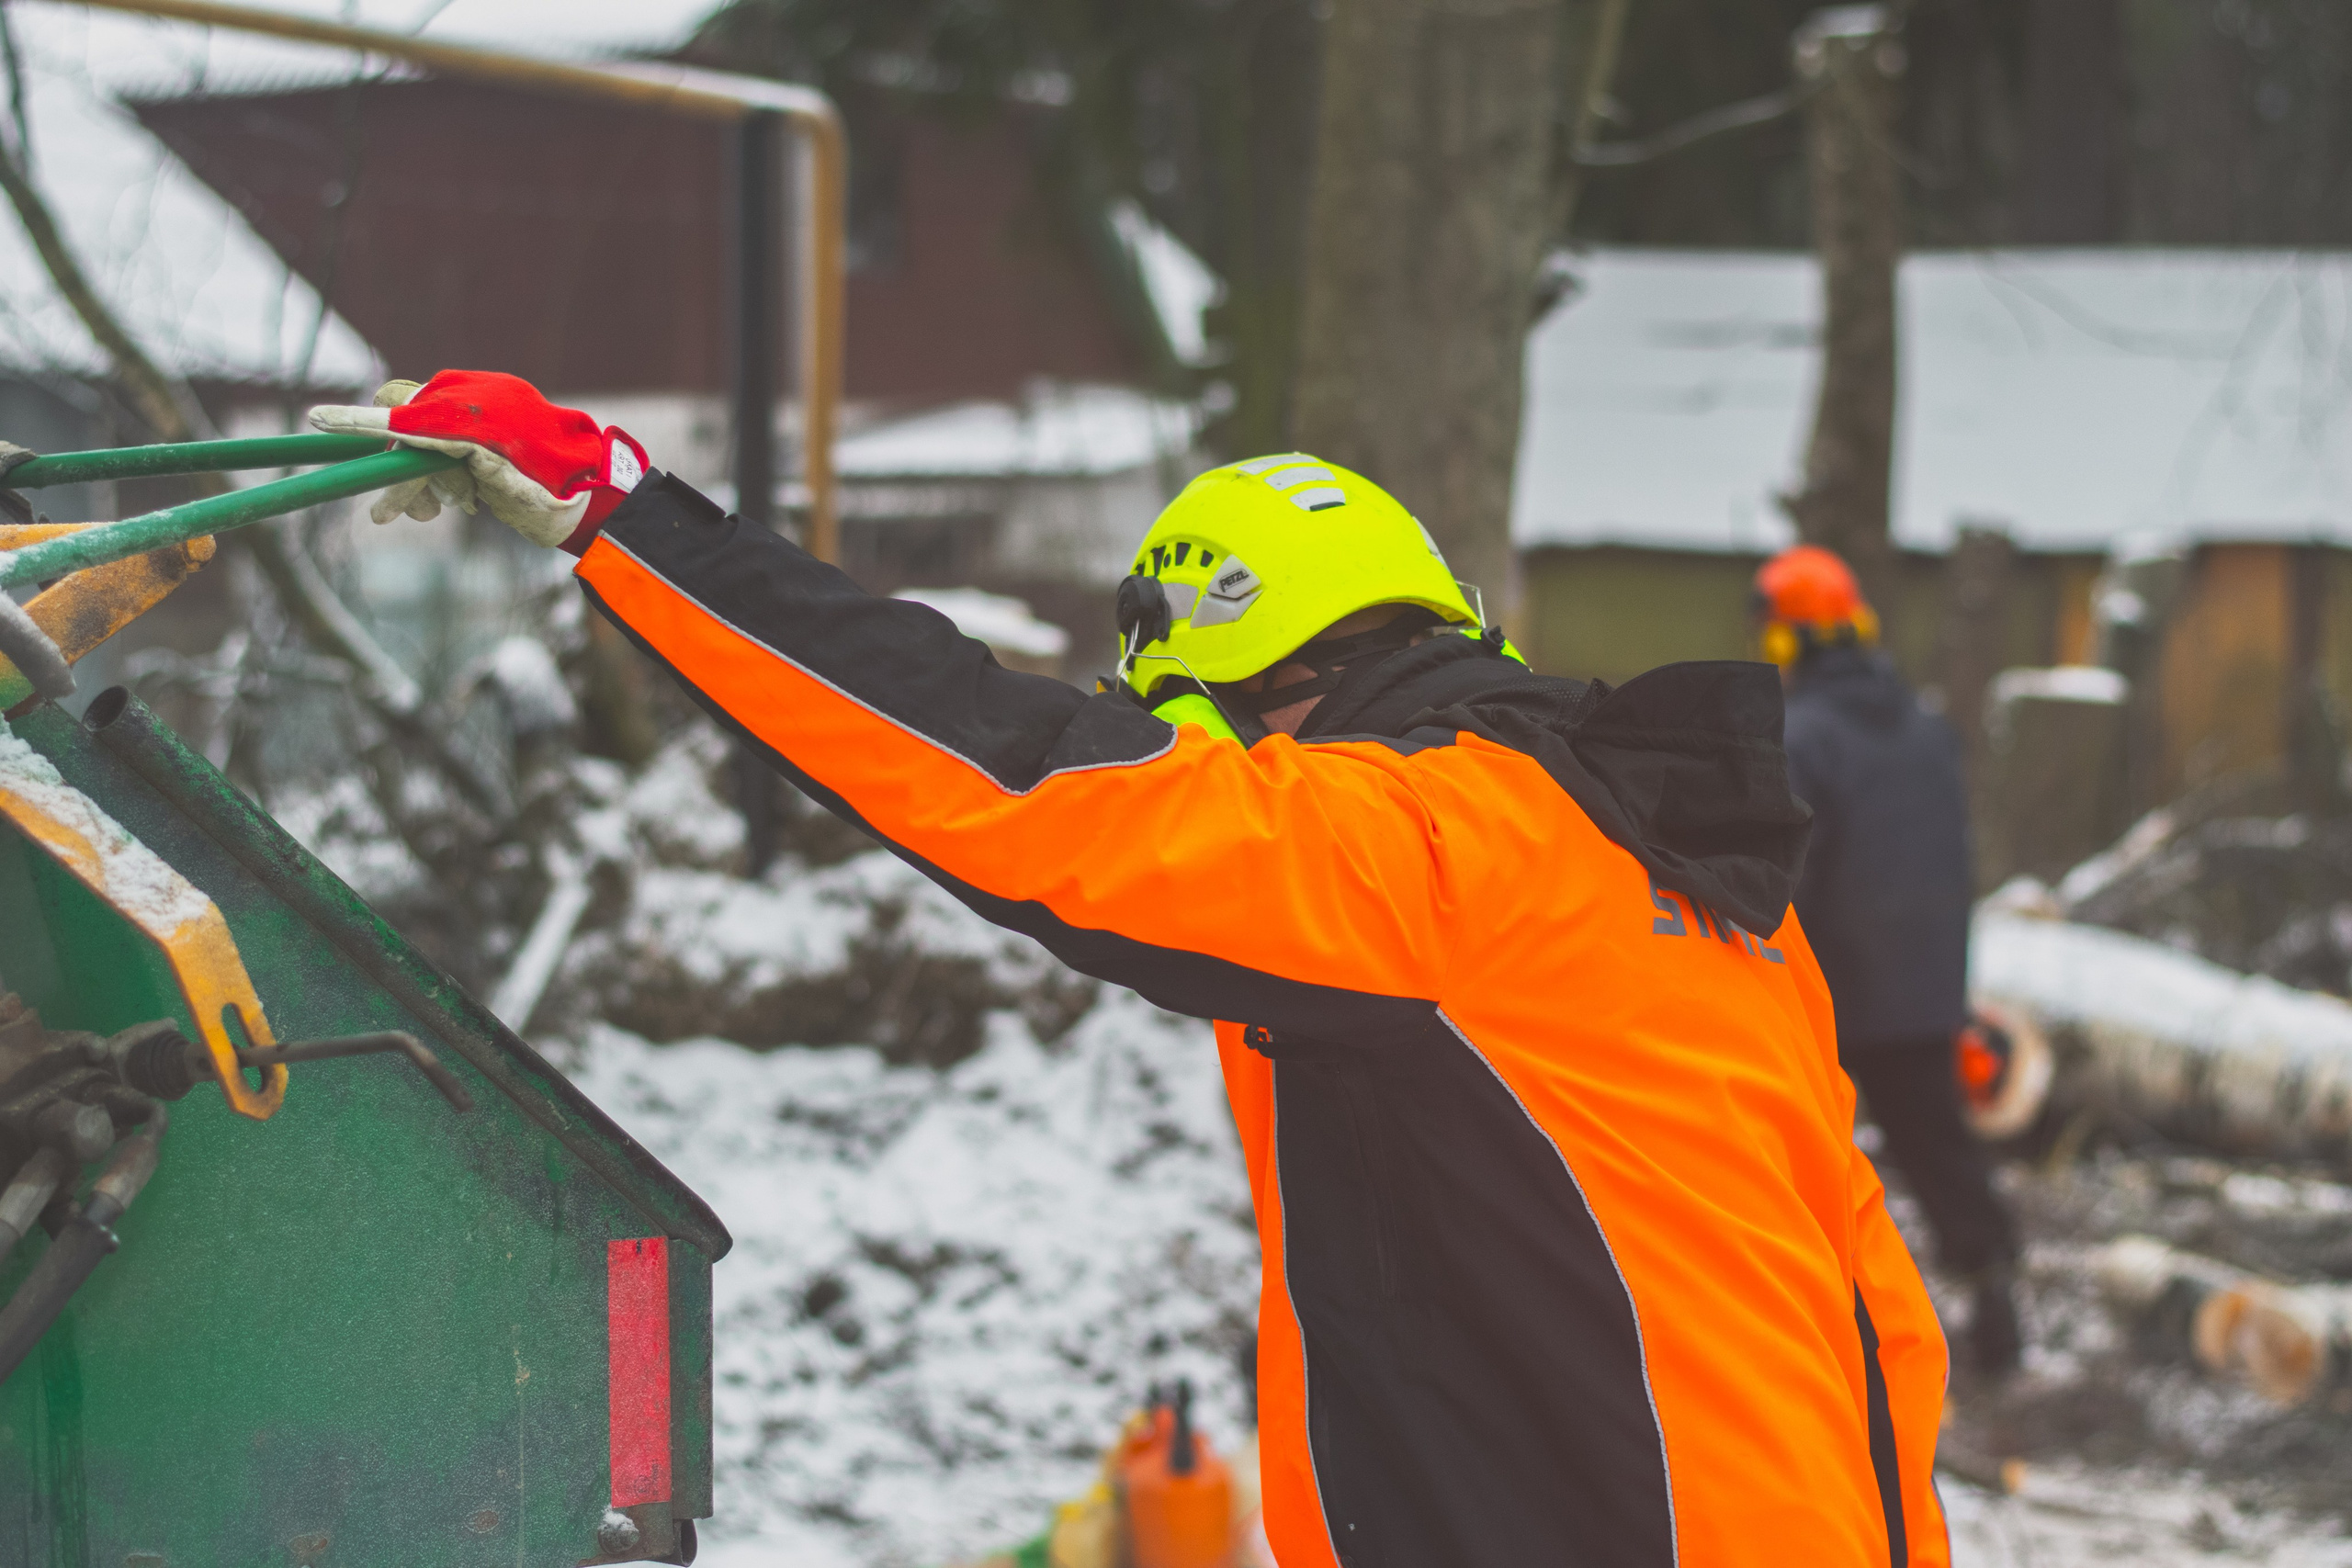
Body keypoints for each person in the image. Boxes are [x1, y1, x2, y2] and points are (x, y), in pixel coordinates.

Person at [318, 371, 1953, 1567]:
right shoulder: (1668, 873)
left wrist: (623, 514)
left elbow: (1011, 779)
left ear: (1239, 676)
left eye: (1188, 728)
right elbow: (1878, 1306)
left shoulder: (1417, 846)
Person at [1754, 544, 2023, 1378]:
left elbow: (1788, 872)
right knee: (1938, 1150)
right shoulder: (1926, 727)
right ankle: (1995, 1298)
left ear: (1785, 637)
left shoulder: (1802, 736)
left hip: (1833, 987)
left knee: (1798, 1156)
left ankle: (1812, 1325)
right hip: (1922, 985)